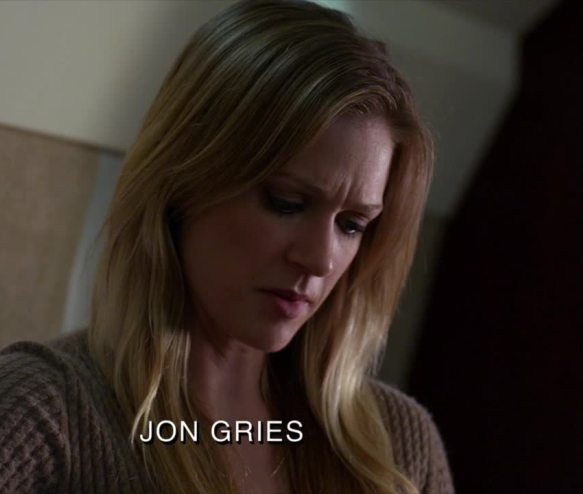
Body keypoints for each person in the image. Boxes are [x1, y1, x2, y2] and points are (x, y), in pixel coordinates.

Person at [0, 1, 453, 493]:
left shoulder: (397, 447)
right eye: (286, 203)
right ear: (183, 183)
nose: (320, 259)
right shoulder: (44, 413)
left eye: (352, 224)